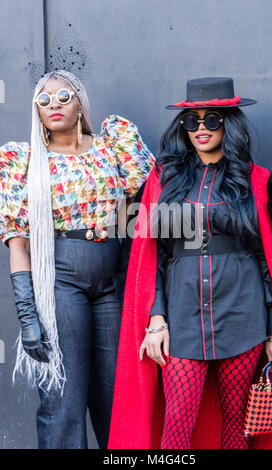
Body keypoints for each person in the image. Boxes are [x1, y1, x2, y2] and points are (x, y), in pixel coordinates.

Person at [108, 77, 272, 449]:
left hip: (244, 316)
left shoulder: (257, 181)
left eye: (212, 120)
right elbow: (154, 256)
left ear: (230, 123)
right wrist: (156, 318)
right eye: (192, 121)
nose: (200, 129)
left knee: (236, 424)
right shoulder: (165, 179)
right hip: (181, 317)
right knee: (176, 425)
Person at [0, 69, 155, 449]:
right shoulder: (24, 160)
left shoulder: (111, 147)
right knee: (64, 402)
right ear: (35, 109)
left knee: (117, 400)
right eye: (44, 99)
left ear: (81, 104)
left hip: (112, 281)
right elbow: (18, 241)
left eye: (64, 97)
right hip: (60, 281)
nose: (54, 105)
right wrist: (27, 314)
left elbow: (146, 199)